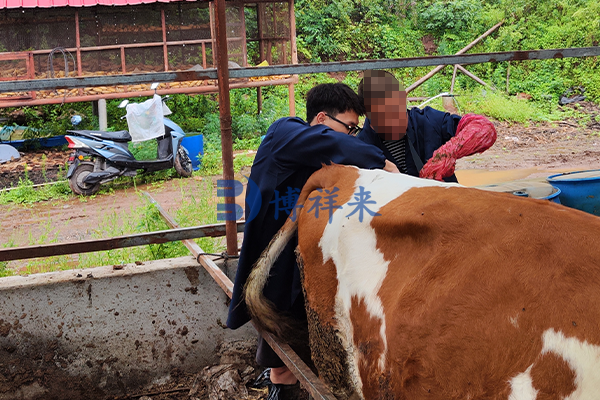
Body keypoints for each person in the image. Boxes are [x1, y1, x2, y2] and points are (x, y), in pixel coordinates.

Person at [227, 83, 398, 400]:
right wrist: (381, 161)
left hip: (309, 262)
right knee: (284, 347)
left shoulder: (316, 150)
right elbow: (337, 145)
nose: (350, 137)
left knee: (308, 342)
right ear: (321, 118)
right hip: (276, 264)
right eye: (348, 128)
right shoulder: (286, 133)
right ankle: (280, 388)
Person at [357, 69, 496, 182]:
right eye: (384, 117)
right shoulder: (359, 147)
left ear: (403, 97)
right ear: (367, 114)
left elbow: (483, 127)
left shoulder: (429, 120)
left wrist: (447, 153)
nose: (393, 122)